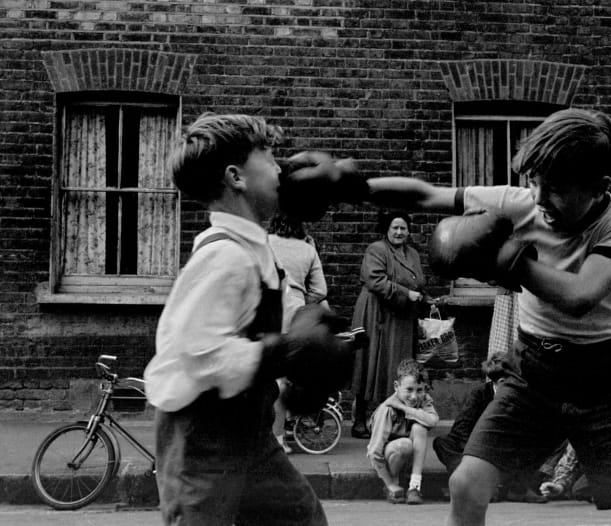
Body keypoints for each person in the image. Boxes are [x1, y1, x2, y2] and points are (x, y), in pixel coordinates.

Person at [279, 107, 611, 525]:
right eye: (535, 181)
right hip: (534, 373)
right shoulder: (522, 203)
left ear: (600, 185)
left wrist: (501, 260)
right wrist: (353, 186)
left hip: (603, 378)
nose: (541, 198)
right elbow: (424, 195)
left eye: (558, 189)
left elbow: (580, 295)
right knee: (466, 483)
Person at [143, 112, 354, 526]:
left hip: (251, 436)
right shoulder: (224, 256)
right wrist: (282, 352)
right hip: (201, 440)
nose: (281, 167)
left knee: (302, 519)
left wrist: (311, 355)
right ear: (236, 177)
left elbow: (264, 324)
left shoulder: (257, 248)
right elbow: (193, 348)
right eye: (270, 156)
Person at [350, 210, 430, 438]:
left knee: (397, 366)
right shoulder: (377, 250)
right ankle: (359, 420)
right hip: (376, 314)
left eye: (403, 228)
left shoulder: (412, 253)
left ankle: (393, 419)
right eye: (395, 227)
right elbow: (375, 280)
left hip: (402, 316)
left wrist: (425, 298)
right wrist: (407, 293)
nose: (399, 232)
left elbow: (418, 282)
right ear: (387, 229)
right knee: (370, 364)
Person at [433, 354, 549, 503]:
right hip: (478, 448)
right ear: (501, 382)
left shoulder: (521, 396)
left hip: (507, 450)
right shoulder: (479, 394)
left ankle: (517, 489)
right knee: (442, 443)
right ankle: (474, 483)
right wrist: (479, 451)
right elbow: (461, 429)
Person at [268, 212, 330, 454]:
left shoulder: (264, 242)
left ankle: (274, 435)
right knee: (285, 377)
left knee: (268, 375)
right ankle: (282, 434)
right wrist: (301, 298)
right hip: (295, 312)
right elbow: (321, 290)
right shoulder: (307, 250)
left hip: (268, 310)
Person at [366, 359, 439, 505]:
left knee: (420, 428)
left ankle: (414, 486)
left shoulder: (422, 400)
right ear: (396, 386)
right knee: (404, 445)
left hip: (410, 456)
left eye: (419, 390)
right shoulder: (387, 410)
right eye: (409, 390)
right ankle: (393, 482)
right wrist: (389, 483)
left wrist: (405, 409)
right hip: (390, 457)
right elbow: (373, 451)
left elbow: (432, 420)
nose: (414, 396)